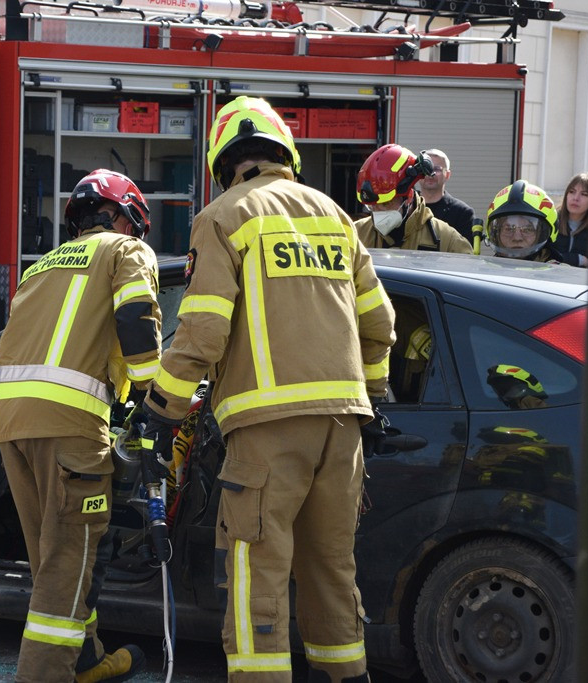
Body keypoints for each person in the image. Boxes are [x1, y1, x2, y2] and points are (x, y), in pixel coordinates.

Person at [139, 95, 395, 682]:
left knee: (258, 573)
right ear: (285, 152)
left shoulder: (225, 215)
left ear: (222, 161)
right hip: (344, 430)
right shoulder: (333, 216)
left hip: (267, 429)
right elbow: (379, 325)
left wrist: (161, 411)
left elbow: (202, 330)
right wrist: (373, 402)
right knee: (332, 569)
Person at [0, 169, 162, 683]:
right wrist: (158, 398)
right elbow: (136, 319)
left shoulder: (40, 266)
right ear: (127, 217)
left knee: (57, 557)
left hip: (12, 423)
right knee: (69, 565)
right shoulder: (126, 251)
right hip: (70, 424)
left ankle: (85, 662)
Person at [354, 144, 473, 254]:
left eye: (385, 203)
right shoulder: (355, 234)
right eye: (371, 206)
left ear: (409, 198)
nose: (377, 213)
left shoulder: (447, 241)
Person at [484, 180, 563, 262]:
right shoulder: (482, 273)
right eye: (509, 229)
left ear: (542, 233)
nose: (517, 238)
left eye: (527, 230)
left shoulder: (559, 274)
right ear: (496, 234)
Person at [419, 148, 477, 243]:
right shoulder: (405, 207)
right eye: (426, 168)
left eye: (437, 169)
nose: (430, 174)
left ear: (447, 174)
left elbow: (465, 254)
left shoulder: (462, 214)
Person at [553, 172, 588, 267]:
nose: (575, 198)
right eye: (572, 192)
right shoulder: (551, 221)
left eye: (584, 194)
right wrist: (579, 260)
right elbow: (543, 258)